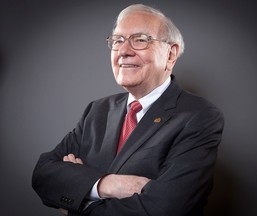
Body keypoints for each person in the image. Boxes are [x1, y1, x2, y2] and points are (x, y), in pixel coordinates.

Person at [32, 3, 224, 216]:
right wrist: (107, 184)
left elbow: (166, 208)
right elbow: (42, 174)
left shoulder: (200, 116)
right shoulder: (97, 111)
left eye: (140, 40)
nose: (123, 51)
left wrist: (78, 201)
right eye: (118, 40)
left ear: (170, 54)